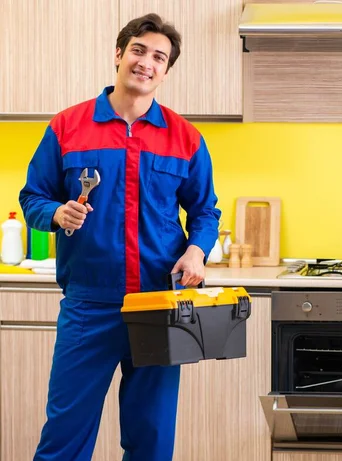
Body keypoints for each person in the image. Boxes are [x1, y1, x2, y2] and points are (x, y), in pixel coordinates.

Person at [19, 13, 221, 461]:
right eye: (138, 50)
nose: (146, 62)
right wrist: (56, 213)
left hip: (158, 304)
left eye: (158, 57)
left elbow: (205, 210)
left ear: (166, 70)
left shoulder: (185, 138)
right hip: (89, 304)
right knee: (64, 437)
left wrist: (196, 251)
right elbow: (32, 197)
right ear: (118, 54)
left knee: (151, 438)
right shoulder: (67, 127)